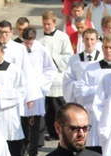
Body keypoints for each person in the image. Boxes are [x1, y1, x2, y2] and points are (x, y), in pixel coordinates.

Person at [20, 26, 56, 156]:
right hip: (22, 93)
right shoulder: (19, 50)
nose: (28, 44)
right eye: (26, 41)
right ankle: (23, 148)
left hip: (36, 93)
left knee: (36, 125)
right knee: (22, 125)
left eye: (30, 41)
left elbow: (50, 69)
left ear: (34, 38)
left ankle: (33, 154)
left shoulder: (41, 50)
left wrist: (39, 85)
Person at [39, 11, 74, 141]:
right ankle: (50, 131)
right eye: (44, 24)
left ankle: (60, 130)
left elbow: (68, 56)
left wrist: (53, 57)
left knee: (57, 106)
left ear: (54, 23)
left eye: (48, 24)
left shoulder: (63, 37)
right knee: (46, 107)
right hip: (43, 77)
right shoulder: (38, 36)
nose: (46, 27)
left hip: (57, 76)